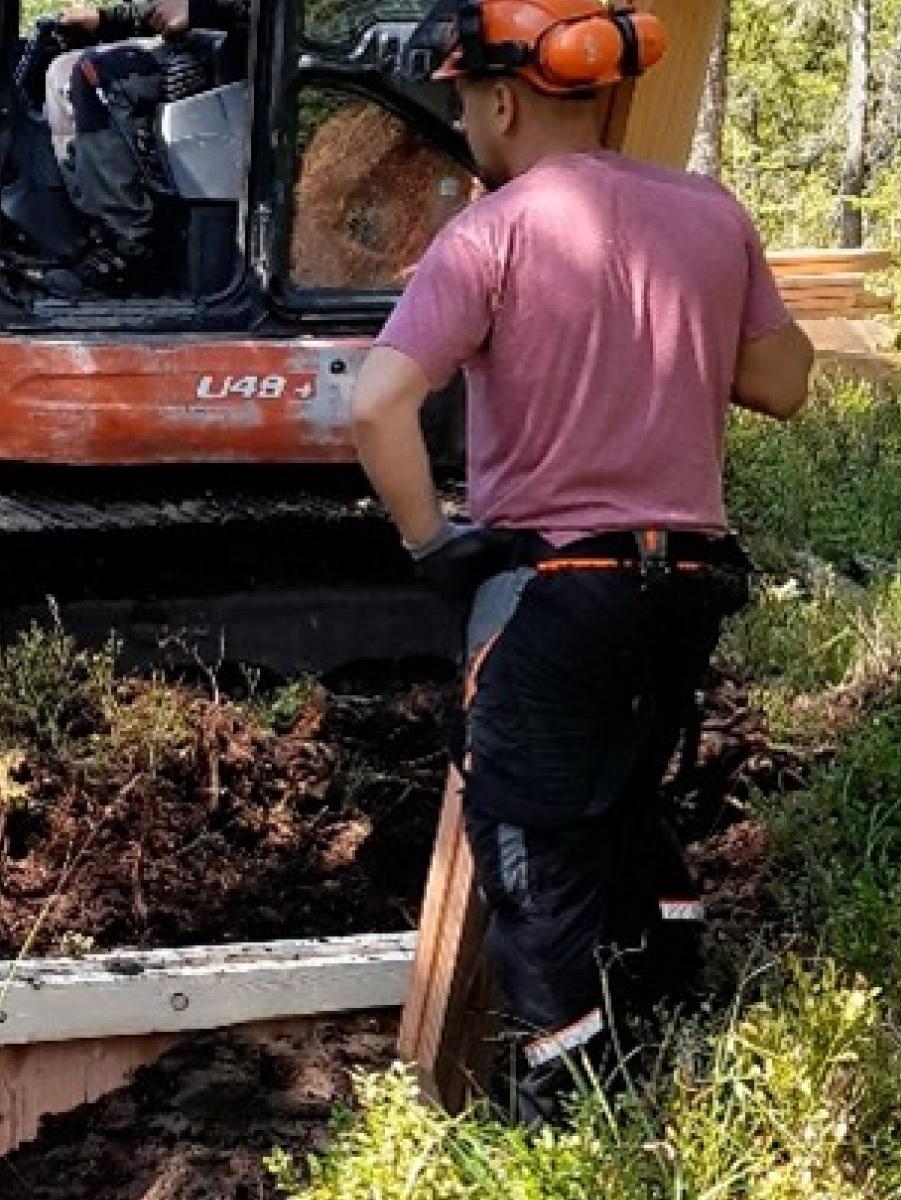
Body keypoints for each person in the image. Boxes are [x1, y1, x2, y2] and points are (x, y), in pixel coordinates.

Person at [346, 0, 815, 1121]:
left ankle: (572, 1114)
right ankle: (672, 1014)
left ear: (503, 102)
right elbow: (785, 382)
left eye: (465, 104)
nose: (467, 126)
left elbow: (375, 405)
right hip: (687, 586)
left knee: (529, 849)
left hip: (558, 590)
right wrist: (670, 329)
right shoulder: (710, 213)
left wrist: (433, 545)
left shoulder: (492, 232)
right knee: (621, 801)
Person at [38, 0, 251, 284]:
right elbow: (165, 10)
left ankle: (129, 244)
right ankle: (94, 225)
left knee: (96, 74)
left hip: (241, 48)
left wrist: (201, 10)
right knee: (61, 70)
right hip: (193, 38)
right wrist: (105, 19)